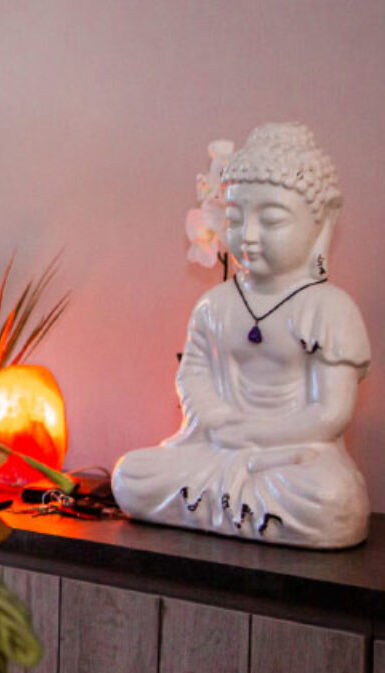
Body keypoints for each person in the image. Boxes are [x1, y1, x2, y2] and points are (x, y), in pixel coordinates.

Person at [112, 123, 370, 548]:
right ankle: (241, 509)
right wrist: (218, 421)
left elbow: (330, 413)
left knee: (333, 500)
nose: (247, 236)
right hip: (217, 448)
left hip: (289, 456)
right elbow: (191, 374)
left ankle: (219, 506)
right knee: (130, 476)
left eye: (270, 219)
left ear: (322, 219)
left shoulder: (329, 308)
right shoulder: (216, 304)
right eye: (234, 218)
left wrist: (254, 436)